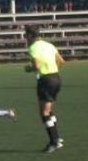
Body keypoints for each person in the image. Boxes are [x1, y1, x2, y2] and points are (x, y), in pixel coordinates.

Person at [24, 25, 65, 153]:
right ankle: (57, 138)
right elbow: (62, 61)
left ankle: (54, 142)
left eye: (26, 35)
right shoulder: (49, 45)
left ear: (30, 35)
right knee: (49, 111)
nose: (25, 38)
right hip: (56, 78)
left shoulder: (32, 48)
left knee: (44, 113)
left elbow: (37, 65)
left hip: (46, 80)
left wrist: (29, 68)